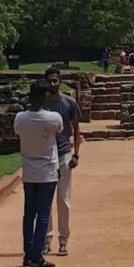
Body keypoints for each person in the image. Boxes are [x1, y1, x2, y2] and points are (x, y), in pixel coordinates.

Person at [14, 80, 63, 267]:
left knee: (29, 214)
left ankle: (28, 253)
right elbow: (59, 132)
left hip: (29, 171)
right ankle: (36, 256)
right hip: (47, 171)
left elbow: (17, 133)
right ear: (44, 98)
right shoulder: (53, 118)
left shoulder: (20, 118)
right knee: (44, 213)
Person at [43, 66, 83, 256]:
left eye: (55, 81)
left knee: (63, 198)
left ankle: (63, 239)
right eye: (49, 81)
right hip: (45, 156)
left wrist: (76, 154)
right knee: (46, 199)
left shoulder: (69, 103)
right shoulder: (40, 105)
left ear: (60, 81)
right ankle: (46, 238)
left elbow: (76, 130)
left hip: (64, 154)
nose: (52, 84)